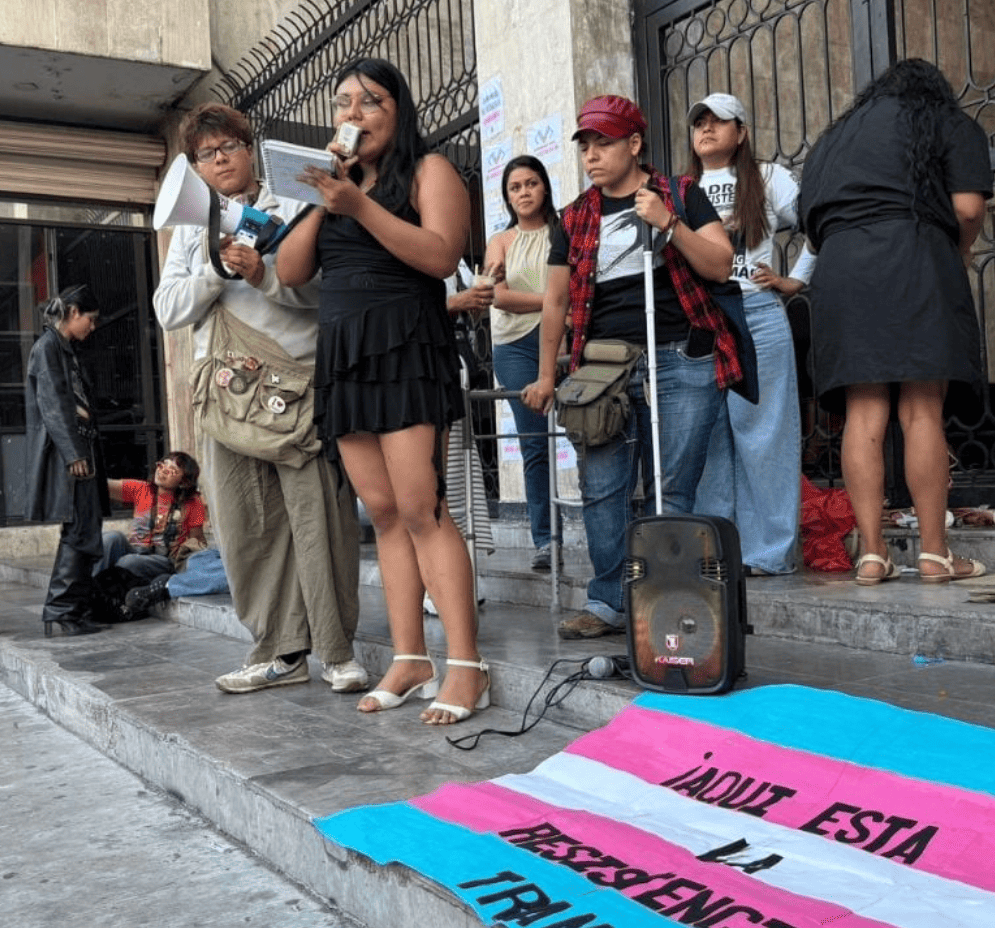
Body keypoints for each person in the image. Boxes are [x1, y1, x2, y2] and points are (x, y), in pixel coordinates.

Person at [276, 57, 487, 725]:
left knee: (424, 510)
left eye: (370, 102)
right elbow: (289, 270)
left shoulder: (429, 170)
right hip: (345, 357)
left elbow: (441, 256)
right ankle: (411, 657)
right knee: (386, 515)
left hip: (406, 348)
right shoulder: (334, 185)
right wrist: (327, 193)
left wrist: (359, 206)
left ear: (399, 111)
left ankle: (467, 665)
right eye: (344, 102)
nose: (353, 114)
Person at [153, 101, 367, 695]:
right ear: (196, 167)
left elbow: (323, 294)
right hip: (226, 400)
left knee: (319, 523)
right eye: (205, 154)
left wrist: (262, 275)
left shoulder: (294, 204)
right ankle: (278, 652)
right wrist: (216, 273)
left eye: (228, 147)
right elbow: (167, 309)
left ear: (249, 150)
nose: (219, 160)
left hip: (293, 393)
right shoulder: (192, 230)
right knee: (247, 529)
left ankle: (337, 651)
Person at [521, 95, 748, 640]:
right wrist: (548, 375)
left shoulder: (681, 194)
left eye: (604, 143)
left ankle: (667, 600)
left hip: (680, 357)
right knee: (603, 486)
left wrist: (670, 224)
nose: (592, 156)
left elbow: (720, 265)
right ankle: (609, 602)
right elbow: (556, 301)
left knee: (672, 488)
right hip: (602, 370)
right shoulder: (573, 217)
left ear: (635, 144)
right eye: (585, 146)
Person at [797, 58, 994, 584]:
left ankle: (872, 553)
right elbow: (968, 209)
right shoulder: (945, 120)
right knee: (921, 409)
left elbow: (811, 225)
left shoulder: (831, 142)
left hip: (840, 269)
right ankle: (935, 554)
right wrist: (959, 251)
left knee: (863, 414)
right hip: (913, 256)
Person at [687, 92, 816, 577]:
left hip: (757, 310)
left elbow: (817, 225)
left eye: (719, 121)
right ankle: (715, 553)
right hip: (701, 319)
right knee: (706, 440)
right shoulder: (681, 188)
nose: (706, 128)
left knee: (766, 434)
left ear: (740, 132)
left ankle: (768, 554)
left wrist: (795, 280)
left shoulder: (768, 177)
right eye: (699, 122)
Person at [485, 155, 561, 572]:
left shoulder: (562, 233)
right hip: (514, 346)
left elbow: (567, 287)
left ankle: (604, 531)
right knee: (534, 443)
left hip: (564, 339)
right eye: (515, 187)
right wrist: (553, 303)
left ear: (544, 186)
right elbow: (499, 297)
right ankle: (546, 540)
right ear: (507, 196)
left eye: (531, 183)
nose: (524, 192)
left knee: (590, 435)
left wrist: (550, 306)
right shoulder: (501, 241)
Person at [26, 284, 108, 638]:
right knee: (79, 529)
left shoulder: (62, 348)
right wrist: (73, 452)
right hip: (72, 452)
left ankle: (71, 610)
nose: (93, 326)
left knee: (86, 528)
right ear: (73, 312)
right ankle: (61, 612)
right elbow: (54, 405)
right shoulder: (48, 347)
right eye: (90, 318)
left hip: (79, 447)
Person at [99, 452, 209, 596]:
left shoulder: (192, 503)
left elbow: (198, 541)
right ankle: (88, 590)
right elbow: (101, 485)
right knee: (111, 538)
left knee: (128, 562)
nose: (162, 471)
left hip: (165, 560)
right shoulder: (142, 489)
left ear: (183, 482)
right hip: (136, 550)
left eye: (171, 470)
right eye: (162, 465)